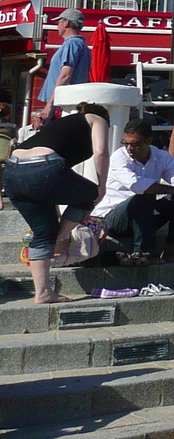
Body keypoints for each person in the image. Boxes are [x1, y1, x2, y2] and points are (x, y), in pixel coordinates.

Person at [3, 102, 110, 303]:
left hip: (12, 174)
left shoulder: (60, 126)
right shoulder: (97, 118)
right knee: (89, 195)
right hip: (43, 169)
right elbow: (101, 152)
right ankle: (61, 238)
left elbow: (33, 166)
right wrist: (102, 186)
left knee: (43, 233)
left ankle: (43, 293)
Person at [91, 116, 174, 265]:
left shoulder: (160, 156)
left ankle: (173, 248)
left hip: (143, 215)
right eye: (126, 144)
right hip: (113, 217)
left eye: (134, 144)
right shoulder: (118, 158)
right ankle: (143, 252)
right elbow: (138, 186)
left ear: (148, 141)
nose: (129, 149)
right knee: (145, 196)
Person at [32, 9, 89, 123]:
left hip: (64, 105)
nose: (57, 25)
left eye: (59, 22)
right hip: (68, 103)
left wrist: (49, 108)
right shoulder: (81, 45)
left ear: (66, 23)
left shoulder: (71, 43)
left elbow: (65, 76)